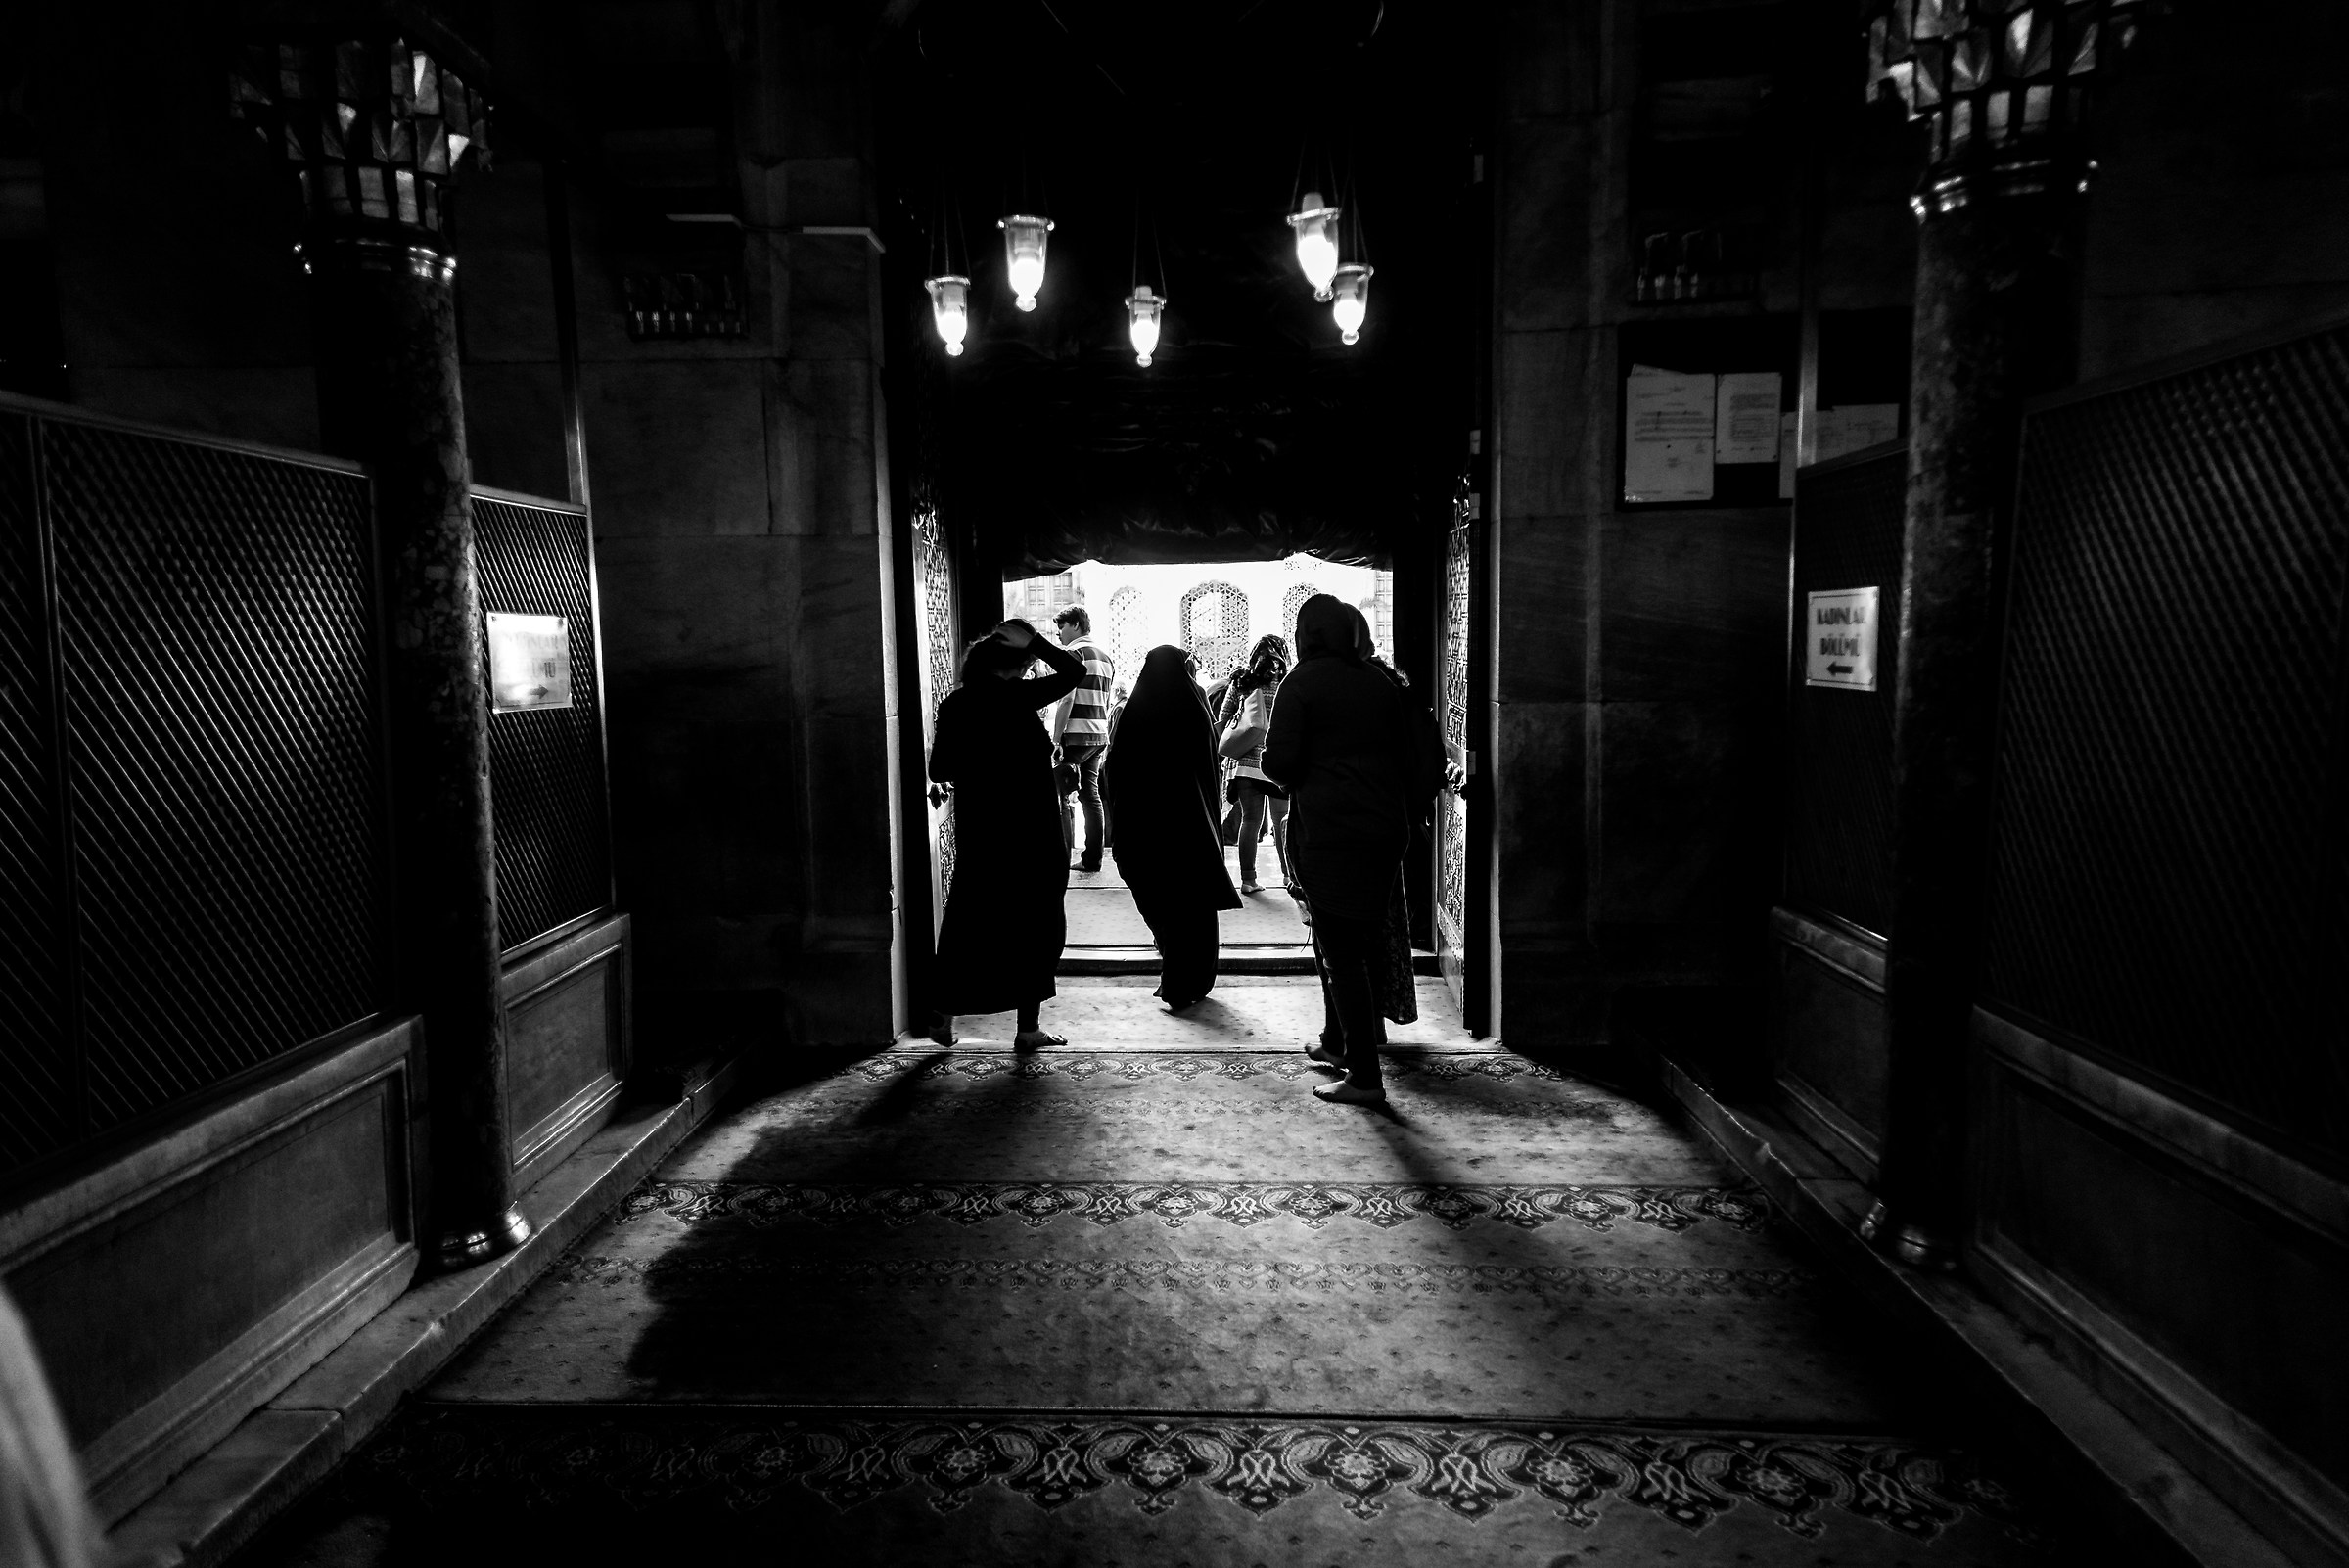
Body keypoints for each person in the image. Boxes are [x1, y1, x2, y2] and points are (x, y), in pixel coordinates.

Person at [1262, 595, 1442, 1105]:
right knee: (1360, 946)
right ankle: (1344, 1048)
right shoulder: (1378, 681)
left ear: (1307, 634)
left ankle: (1364, 1076)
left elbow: (1278, 764)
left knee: (1341, 954)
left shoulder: (1302, 681)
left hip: (1333, 834)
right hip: (1385, 830)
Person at [928, 619, 1086, 1047]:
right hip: (1031, 831)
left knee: (969, 920)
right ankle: (1027, 1028)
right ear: (1017, 665)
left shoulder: (956, 704)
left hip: (983, 831)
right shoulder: (1018, 698)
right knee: (1034, 923)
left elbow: (939, 769)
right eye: (1029, 662)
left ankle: (941, 1016)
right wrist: (1035, 640)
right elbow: (1076, 673)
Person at [1102, 645, 1242, 1009]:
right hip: (1190, 829)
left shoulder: (1134, 712)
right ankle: (1189, 980)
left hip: (1143, 830)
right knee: (1191, 909)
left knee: (1160, 903)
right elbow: (1210, 771)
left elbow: (1113, 772)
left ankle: (1176, 974)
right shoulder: (1195, 707)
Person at [1216, 634, 1292, 895]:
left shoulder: (1241, 681)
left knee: (1251, 820)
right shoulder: (1285, 681)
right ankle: (1287, 875)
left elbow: (1223, 717)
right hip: (1276, 761)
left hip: (1246, 762)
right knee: (1282, 820)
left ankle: (1248, 880)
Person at [1047, 605, 1116, 871]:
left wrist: (1056, 739)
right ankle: (1092, 859)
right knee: (1091, 795)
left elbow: (1067, 698)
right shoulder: (1106, 657)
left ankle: (1060, 861)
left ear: (1075, 625)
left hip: (1074, 736)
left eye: (1061, 628)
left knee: (1061, 796)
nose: (1058, 635)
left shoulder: (1073, 654)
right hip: (1099, 735)